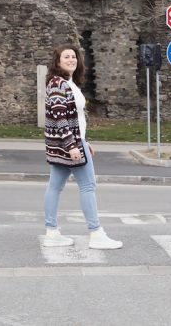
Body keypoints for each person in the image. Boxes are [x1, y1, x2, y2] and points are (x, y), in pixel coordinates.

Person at [43, 44, 122, 249]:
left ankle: (51, 233)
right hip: (69, 144)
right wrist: (73, 145)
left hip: (70, 143)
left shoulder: (69, 83)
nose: (71, 59)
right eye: (66, 57)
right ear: (58, 61)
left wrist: (84, 141)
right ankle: (95, 233)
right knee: (88, 187)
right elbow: (60, 118)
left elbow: (74, 117)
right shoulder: (58, 83)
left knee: (55, 187)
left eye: (74, 57)